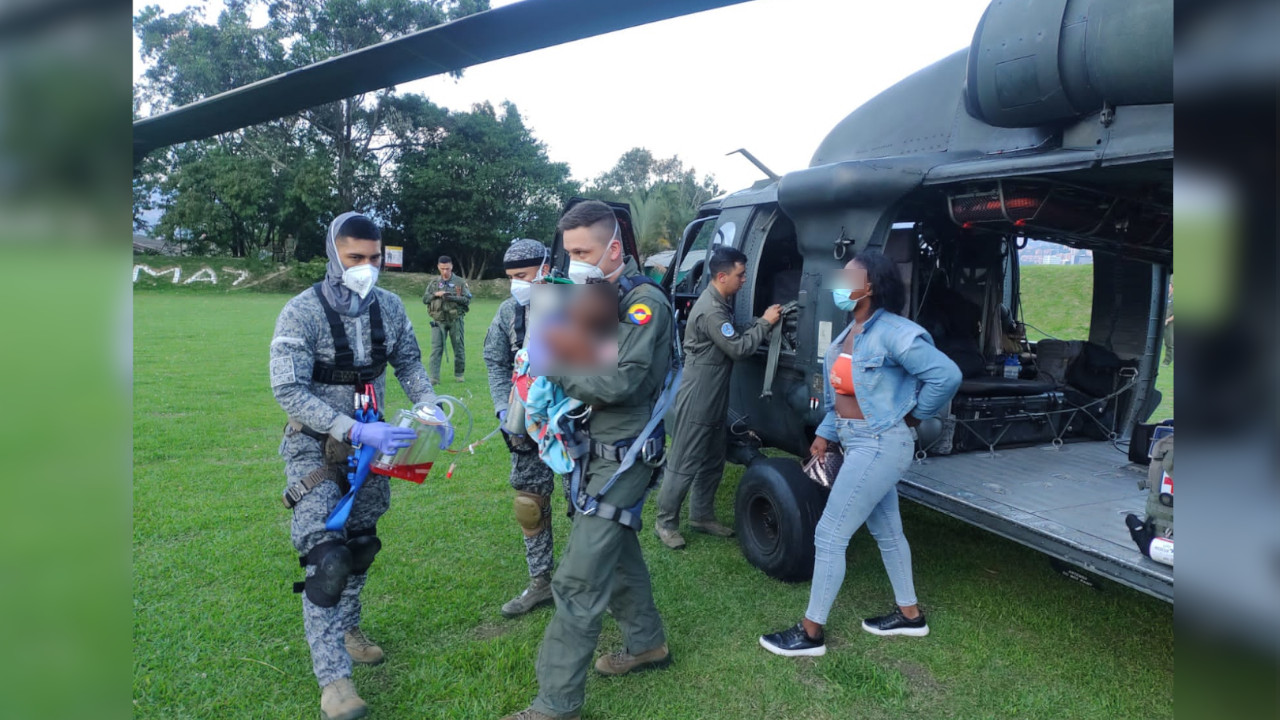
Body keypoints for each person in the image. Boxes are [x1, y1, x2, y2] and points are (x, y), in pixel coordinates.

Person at [501, 201, 673, 720]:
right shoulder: (602, 296)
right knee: (616, 552)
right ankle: (647, 644)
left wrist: (553, 370)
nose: (574, 261)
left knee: (576, 580)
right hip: (594, 450)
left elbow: (622, 381)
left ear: (614, 248)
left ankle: (556, 704)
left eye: (584, 251)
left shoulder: (644, 303)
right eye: (569, 251)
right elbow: (594, 360)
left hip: (623, 456)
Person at [270, 212, 437, 720]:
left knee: (361, 546)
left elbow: (408, 361)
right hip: (315, 450)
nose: (366, 267)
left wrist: (430, 405)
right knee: (329, 559)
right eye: (354, 258)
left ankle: (348, 625)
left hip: (374, 451)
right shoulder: (302, 312)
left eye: (373, 257)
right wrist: (352, 427)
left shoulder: (389, 307)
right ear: (333, 254)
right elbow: (287, 389)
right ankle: (335, 682)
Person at [759, 251, 961, 658]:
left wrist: (913, 418)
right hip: (855, 440)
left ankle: (810, 633)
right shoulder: (846, 335)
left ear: (871, 286)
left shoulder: (896, 333)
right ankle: (910, 616)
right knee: (887, 532)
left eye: (848, 276)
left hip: (881, 442)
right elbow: (842, 397)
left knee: (830, 534)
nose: (839, 281)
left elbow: (946, 375)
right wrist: (825, 434)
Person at [653, 246, 782, 549]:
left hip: (714, 394)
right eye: (740, 274)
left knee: (712, 458)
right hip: (699, 394)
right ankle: (666, 522)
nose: (744, 279)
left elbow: (733, 335)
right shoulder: (711, 309)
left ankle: (701, 515)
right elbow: (738, 348)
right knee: (685, 460)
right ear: (722, 276)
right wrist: (765, 322)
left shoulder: (720, 304)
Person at [483, 238, 560, 618]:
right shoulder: (507, 313)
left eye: (523, 276)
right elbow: (494, 360)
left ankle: (589, 584)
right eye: (511, 277)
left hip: (570, 428)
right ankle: (541, 582)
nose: (516, 284)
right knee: (529, 505)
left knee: (586, 509)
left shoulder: (574, 303)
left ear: (545, 268)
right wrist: (502, 407)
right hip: (522, 426)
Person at [423, 255, 472, 383]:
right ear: (438, 267)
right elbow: (425, 299)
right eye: (443, 268)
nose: (445, 271)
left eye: (448, 269)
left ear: (452, 267)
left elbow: (467, 300)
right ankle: (434, 378)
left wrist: (452, 297)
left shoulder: (460, 282)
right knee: (436, 349)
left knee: (459, 348)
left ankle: (459, 375)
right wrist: (436, 294)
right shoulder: (434, 283)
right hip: (438, 321)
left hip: (455, 319)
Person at [1163, 277, 1174, 366]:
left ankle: (1167, 361)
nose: (1167, 287)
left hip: (1169, 324)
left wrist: (1167, 320)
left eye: (1169, 285)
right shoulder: (1164, 296)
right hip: (1161, 322)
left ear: (1172, 287)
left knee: (1169, 343)